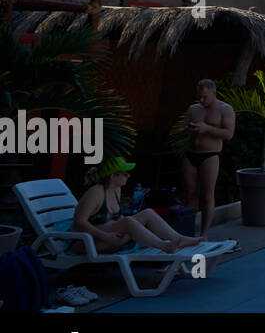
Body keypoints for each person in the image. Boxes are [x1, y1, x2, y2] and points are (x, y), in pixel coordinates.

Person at [75, 157, 203, 255]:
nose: (128, 176)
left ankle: (179, 238)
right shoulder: (96, 192)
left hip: (111, 237)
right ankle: (165, 247)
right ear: (113, 176)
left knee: (147, 213)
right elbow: (79, 222)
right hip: (88, 242)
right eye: (125, 174)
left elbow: (116, 220)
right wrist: (106, 236)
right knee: (128, 221)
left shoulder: (115, 190)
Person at [182, 79, 234, 238]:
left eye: (205, 96)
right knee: (189, 194)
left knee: (206, 195)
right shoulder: (193, 109)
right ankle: (188, 231)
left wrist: (207, 128)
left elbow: (228, 134)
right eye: (199, 96)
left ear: (213, 93)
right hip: (191, 153)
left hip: (210, 155)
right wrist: (188, 129)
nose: (201, 100)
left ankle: (204, 233)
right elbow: (181, 130)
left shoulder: (225, 109)